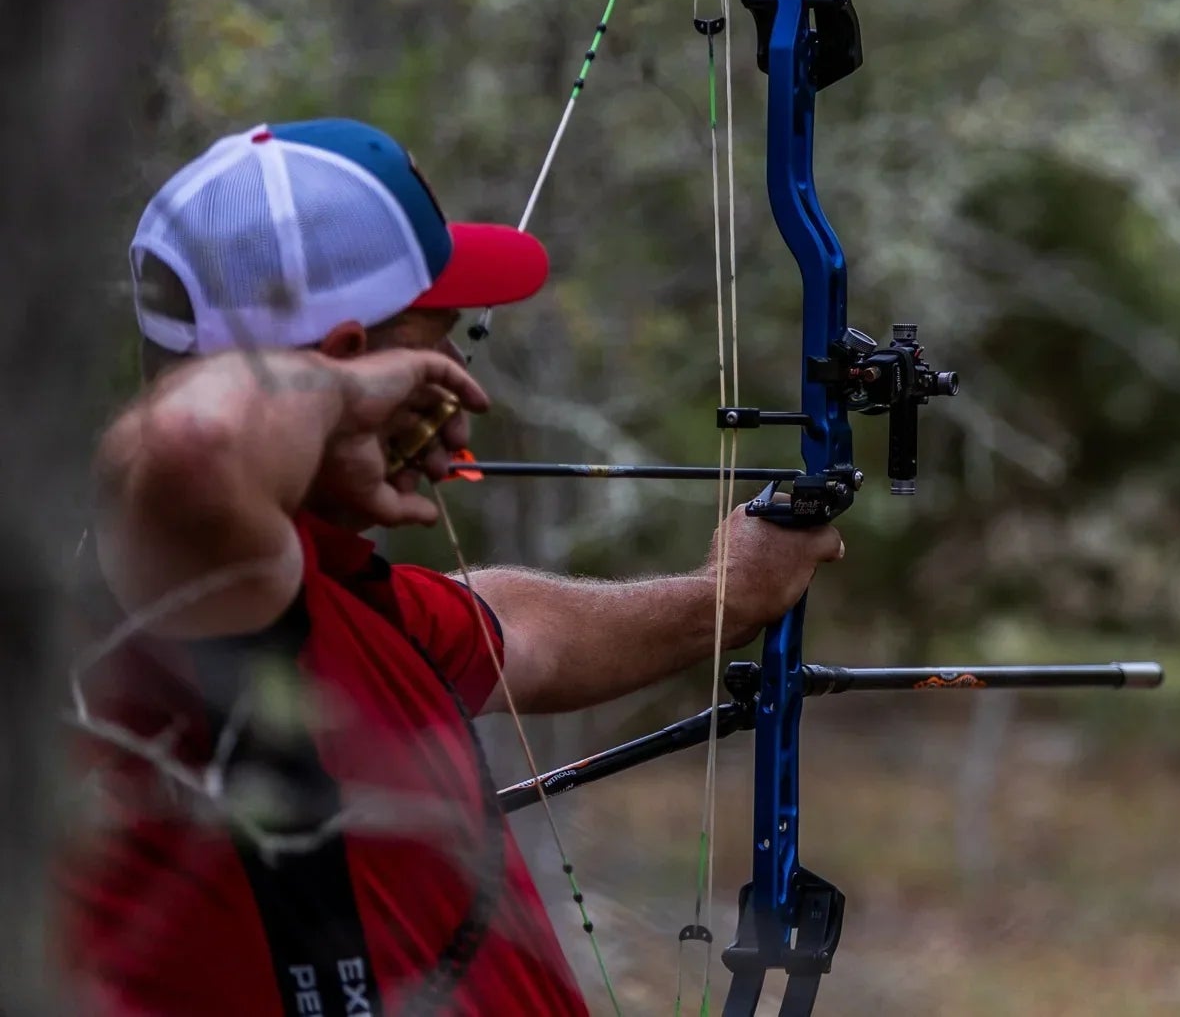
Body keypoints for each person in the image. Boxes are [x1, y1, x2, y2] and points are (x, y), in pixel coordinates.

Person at [61, 119, 841, 1015]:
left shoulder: (317, 584)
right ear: (354, 359)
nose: (456, 373)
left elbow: (519, 632)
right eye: (440, 338)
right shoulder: (186, 582)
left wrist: (724, 595)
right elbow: (191, 440)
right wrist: (350, 396)